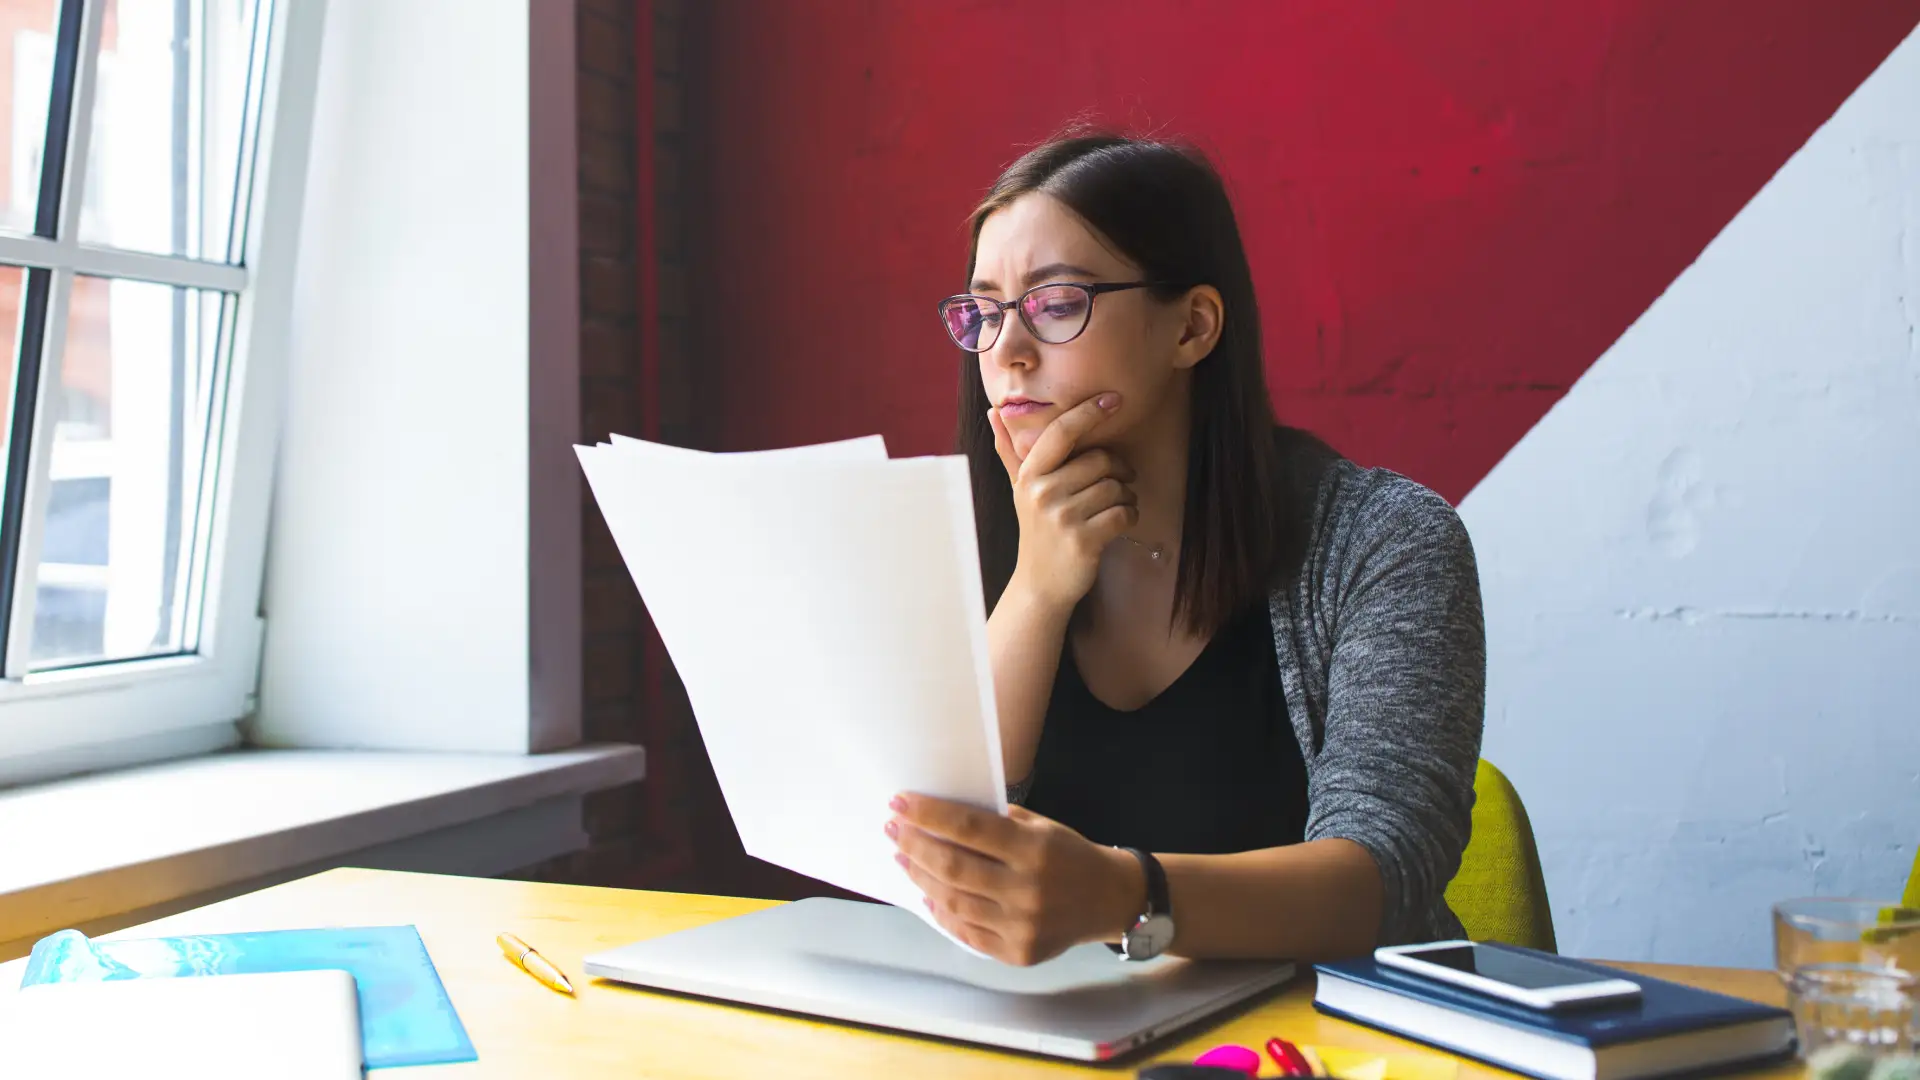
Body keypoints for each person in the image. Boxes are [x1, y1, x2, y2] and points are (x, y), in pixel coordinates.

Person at [884, 131, 1486, 966]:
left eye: (1056, 305)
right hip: (1043, 1041)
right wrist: (1037, 591)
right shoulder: (958, 546)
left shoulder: (1384, 543)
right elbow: (925, 843)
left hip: (1323, 1040)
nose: (1007, 352)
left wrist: (1124, 897)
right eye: (983, 312)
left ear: (1192, 328)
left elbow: (1384, 879)